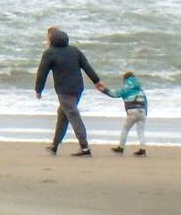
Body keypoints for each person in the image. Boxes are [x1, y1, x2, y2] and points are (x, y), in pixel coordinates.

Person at [34, 26, 106, 157]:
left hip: (64, 92)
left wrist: (38, 90)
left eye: (47, 38)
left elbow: (42, 73)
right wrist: (96, 81)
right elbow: (87, 67)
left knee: (73, 116)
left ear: (51, 39)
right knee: (63, 115)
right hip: (77, 89)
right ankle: (54, 146)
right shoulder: (74, 50)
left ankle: (85, 148)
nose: (46, 41)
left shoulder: (49, 53)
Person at [105, 71, 149, 157]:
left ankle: (120, 149)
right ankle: (143, 150)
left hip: (133, 111)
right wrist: (145, 112)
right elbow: (146, 101)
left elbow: (114, 94)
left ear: (125, 79)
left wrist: (104, 89)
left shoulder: (127, 88)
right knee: (141, 131)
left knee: (125, 129)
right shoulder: (140, 89)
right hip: (143, 111)